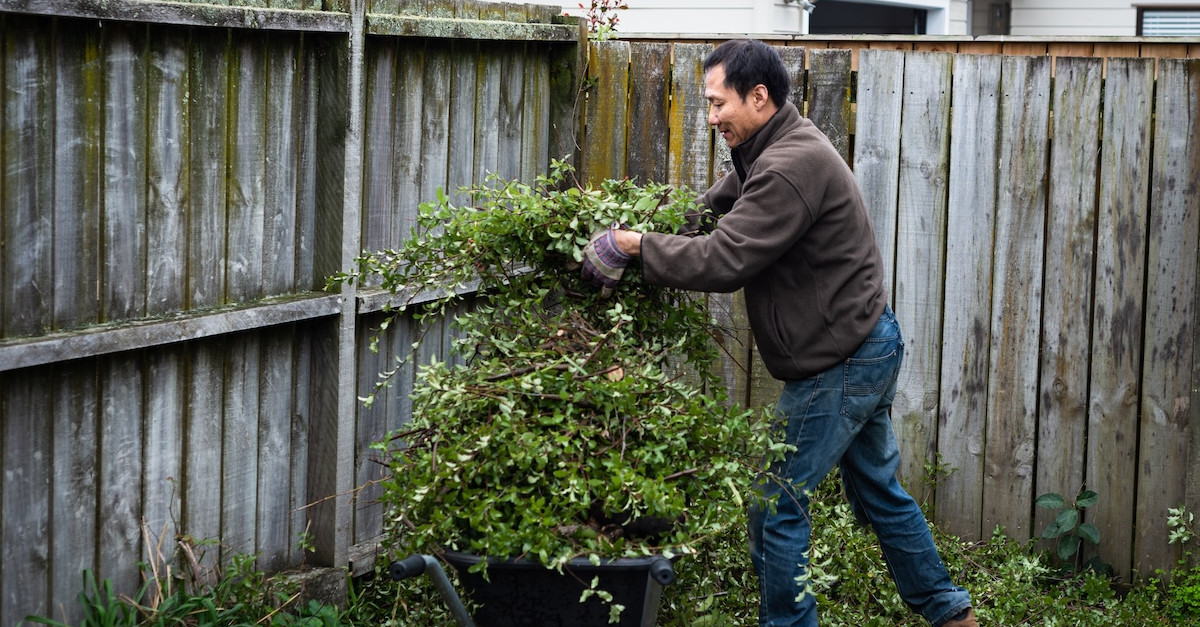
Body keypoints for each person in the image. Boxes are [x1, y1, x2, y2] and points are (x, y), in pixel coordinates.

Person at [580, 39, 978, 627]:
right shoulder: (770, 150)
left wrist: (636, 247)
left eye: (718, 104)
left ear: (758, 96)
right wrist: (648, 228)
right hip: (863, 344)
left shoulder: (791, 166)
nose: (710, 117)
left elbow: (725, 258)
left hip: (842, 360)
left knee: (775, 506)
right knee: (879, 495)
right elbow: (711, 214)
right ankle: (950, 616)